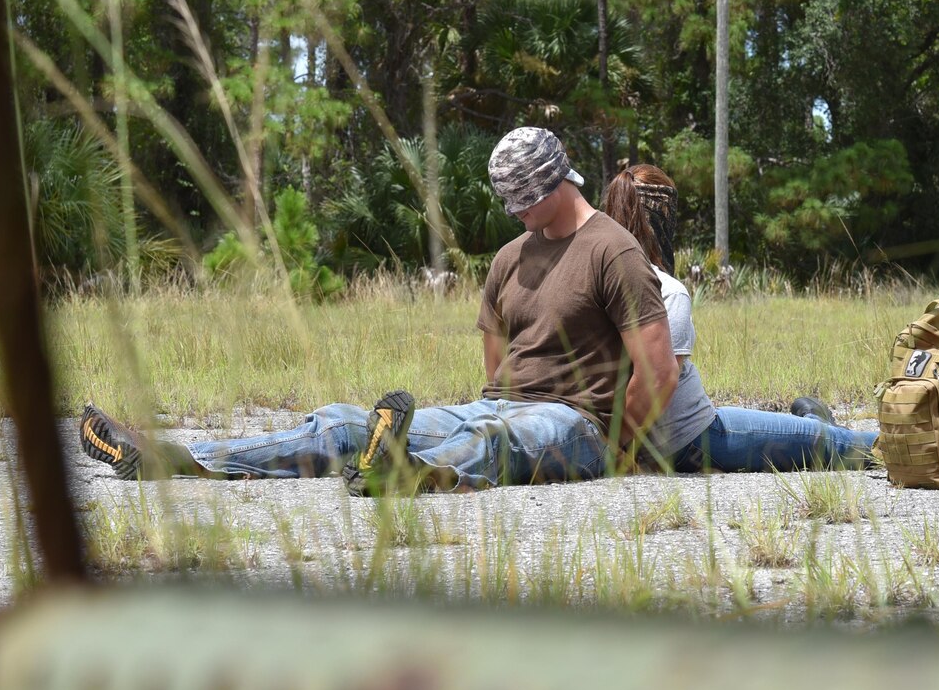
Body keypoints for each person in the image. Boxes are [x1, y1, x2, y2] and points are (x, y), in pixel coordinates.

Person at [78, 126, 680, 493]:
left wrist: (619, 451)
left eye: (523, 201)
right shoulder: (508, 258)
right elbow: (495, 363)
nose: (514, 212)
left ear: (557, 185)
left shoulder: (612, 251)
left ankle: (401, 470)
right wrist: (484, 402)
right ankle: (175, 458)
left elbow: (657, 371)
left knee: (499, 440)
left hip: (574, 424)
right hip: (496, 407)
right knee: (341, 423)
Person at [601, 163, 877, 473]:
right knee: (831, 444)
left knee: (776, 426)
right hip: (695, 439)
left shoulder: (597, 280)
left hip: (670, 438)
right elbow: (658, 384)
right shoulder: (667, 290)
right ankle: (905, 444)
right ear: (662, 215)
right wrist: (624, 450)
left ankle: (813, 422)